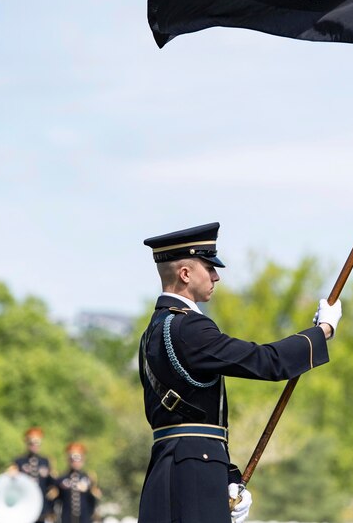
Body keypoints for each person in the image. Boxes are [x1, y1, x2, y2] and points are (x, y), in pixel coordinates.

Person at [136, 222, 341, 523]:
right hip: (195, 471)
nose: (216, 275)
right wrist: (323, 331)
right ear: (185, 274)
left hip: (169, 466)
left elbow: (190, 416)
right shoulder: (189, 327)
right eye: (209, 267)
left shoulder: (151, 331)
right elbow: (265, 361)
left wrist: (226, 474)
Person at [48, 444, 100, 523]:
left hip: (85, 518)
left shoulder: (89, 478)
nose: (76, 462)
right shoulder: (61, 479)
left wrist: (88, 490)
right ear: (68, 460)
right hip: (67, 518)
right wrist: (52, 513)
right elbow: (53, 499)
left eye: (79, 460)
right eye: (73, 460)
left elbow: (94, 500)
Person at [10, 428, 53, 523]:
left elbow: (51, 485)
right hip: (23, 506)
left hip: (42, 508)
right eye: (31, 443)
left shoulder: (46, 461)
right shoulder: (19, 461)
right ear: (27, 443)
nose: (34, 446)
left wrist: (50, 509)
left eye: (37, 443)